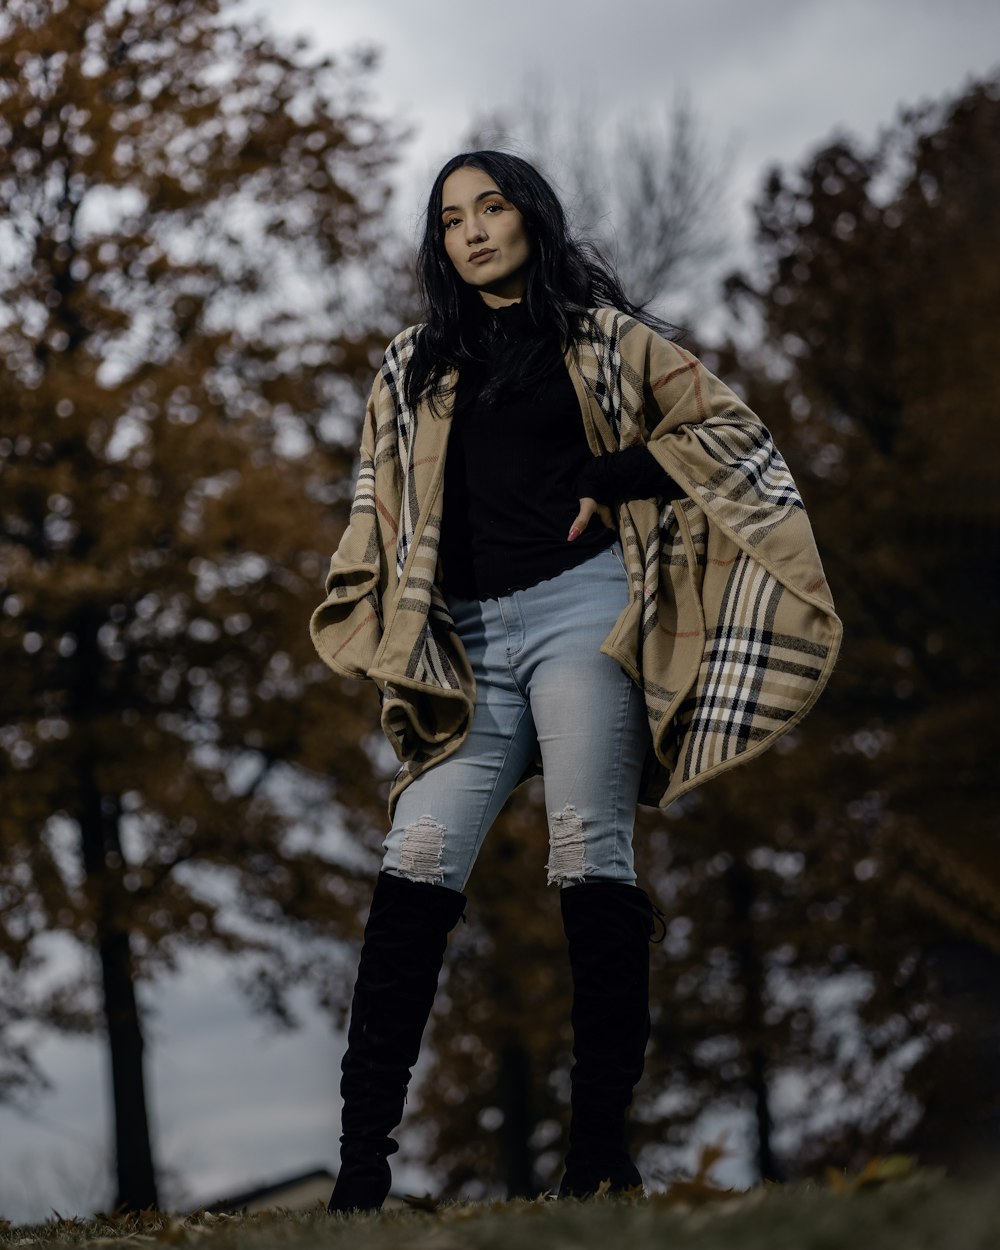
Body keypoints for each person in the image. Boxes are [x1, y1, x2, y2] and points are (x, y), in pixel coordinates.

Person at [311, 151, 841, 1212]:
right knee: (414, 855)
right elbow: (379, 504)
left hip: (580, 614)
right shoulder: (412, 363)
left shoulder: (604, 340)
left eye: (491, 208)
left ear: (530, 218)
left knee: (588, 850)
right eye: (451, 218)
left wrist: (616, 473)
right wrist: (392, 619)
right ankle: (360, 1173)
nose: (471, 232)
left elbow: (731, 434)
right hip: (463, 645)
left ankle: (598, 1156)